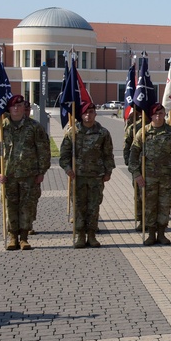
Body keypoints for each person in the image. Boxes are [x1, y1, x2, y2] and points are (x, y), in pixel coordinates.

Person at [0, 95, 50, 251]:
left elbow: (43, 150)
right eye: (13, 106)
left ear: (24, 108)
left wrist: (42, 171)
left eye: (20, 105)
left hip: (29, 175)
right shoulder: (1, 128)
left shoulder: (34, 127)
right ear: (8, 108)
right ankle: (12, 237)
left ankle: (24, 238)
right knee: (10, 207)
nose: (16, 108)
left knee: (27, 207)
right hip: (8, 175)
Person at [60, 101, 115, 248]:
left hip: (96, 176)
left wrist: (108, 171)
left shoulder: (103, 133)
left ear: (95, 114)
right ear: (81, 114)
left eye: (91, 112)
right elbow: (64, 155)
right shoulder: (73, 132)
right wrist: (67, 169)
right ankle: (80, 236)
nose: (88, 115)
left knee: (93, 206)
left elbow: (108, 154)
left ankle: (91, 235)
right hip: (77, 176)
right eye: (85, 112)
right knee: (78, 206)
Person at [130, 103, 171, 246]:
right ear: (151, 116)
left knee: (164, 206)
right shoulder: (143, 133)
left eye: (161, 113)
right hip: (148, 178)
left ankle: (161, 234)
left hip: (167, 178)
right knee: (149, 206)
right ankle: (150, 234)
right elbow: (133, 154)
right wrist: (136, 173)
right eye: (155, 114)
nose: (158, 116)